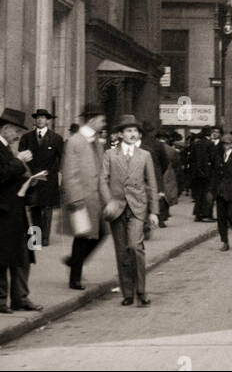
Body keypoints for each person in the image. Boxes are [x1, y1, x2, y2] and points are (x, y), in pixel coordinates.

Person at [0, 107, 45, 314]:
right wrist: (19, 161)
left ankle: (20, 298)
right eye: (16, 132)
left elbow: (11, 174)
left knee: (22, 255)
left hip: (14, 210)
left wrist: (30, 180)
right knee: (0, 259)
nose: (17, 137)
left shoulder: (4, 147)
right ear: (5, 129)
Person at [100, 114, 159, 305]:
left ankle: (141, 291)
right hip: (117, 207)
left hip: (138, 207)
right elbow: (102, 179)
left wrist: (154, 212)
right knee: (122, 252)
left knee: (135, 246)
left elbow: (152, 183)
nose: (133, 134)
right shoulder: (110, 154)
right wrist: (108, 201)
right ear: (120, 134)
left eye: (135, 131)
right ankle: (127, 293)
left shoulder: (145, 155)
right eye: (129, 131)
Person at [61, 105, 108, 290]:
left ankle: (73, 262)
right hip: (81, 199)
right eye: (102, 120)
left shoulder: (95, 141)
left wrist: (108, 199)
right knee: (82, 238)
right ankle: (75, 278)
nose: (104, 123)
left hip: (94, 199)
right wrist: (75, 198)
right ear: (91, 120)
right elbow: (69, 172)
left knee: (99, 234)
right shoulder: (76, 141)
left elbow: (100, 173)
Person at [18, 109, 63, 248]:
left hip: (48, 178)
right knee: (34, 207)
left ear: (48, 120)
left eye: (43, 118)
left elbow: (62, 159)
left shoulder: (56, 138)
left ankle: (45, 238)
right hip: (32, 177)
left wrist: (56, 174)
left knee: (47, 208)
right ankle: (36, 238)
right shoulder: (26, 138)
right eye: (38, 117)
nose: (40, 120)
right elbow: (21, 157)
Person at [141, 123, 170, 228]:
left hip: (141, 174)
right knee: (157, 195)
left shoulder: (139, 143)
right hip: (155, 171)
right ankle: (159, 219)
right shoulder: (157, 144)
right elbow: (165, 161)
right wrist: (160, 171)